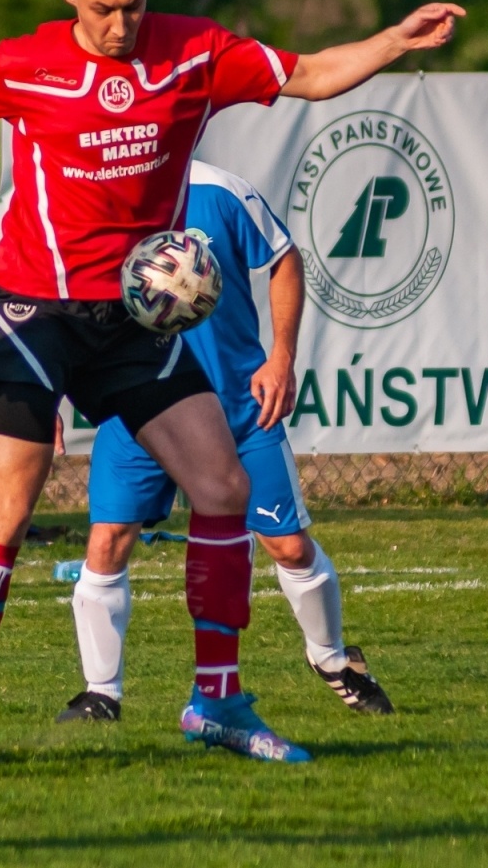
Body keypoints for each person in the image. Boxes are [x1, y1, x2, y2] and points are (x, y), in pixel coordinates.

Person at [0, 0, 460, 764]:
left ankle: (217, 701)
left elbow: (308, 75)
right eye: (105, 7)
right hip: (32, 310)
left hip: (129, 318)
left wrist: (392, 40)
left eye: (136, 4)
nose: (121, 26)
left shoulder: (193, 52)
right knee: (5, 507)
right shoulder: (23, 61)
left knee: (222, 484)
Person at [60, 160, 393, 723]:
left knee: (286, 544)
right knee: (109, 538)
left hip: (237, 405)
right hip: (137, 402)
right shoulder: (97, 188)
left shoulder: (220, 191)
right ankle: (101, 693)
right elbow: (59, 296)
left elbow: (284, 257)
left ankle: (332, 658)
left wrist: (282, 357)